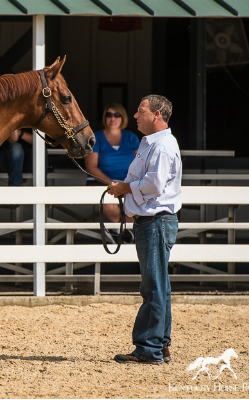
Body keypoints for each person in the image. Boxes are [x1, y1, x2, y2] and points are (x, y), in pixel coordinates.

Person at [108, 95, 182, 365]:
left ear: (157, 115)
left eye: (141, 111)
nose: (136, 116)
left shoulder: (161, 146)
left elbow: (153, 185)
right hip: (154, 221)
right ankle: (160, 344)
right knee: (159, 284)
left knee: (152, 285)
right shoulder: (153, 144)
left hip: (156, 222)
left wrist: (125, 188)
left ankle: (149, 348)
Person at [85, 103, 139, 241]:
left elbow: (141, 165)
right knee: (108, 205)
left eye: (117, 115)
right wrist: (113, 184)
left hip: (128, 182)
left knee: (143, 203)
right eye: (109, 114)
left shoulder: (131, 137)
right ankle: (126, 230)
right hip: (102, 182)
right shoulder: (96, 137)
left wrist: (126, 185)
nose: (112, 118)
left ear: (123, 118)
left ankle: (120, 230)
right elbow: (91, 167)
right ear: (104, 117)